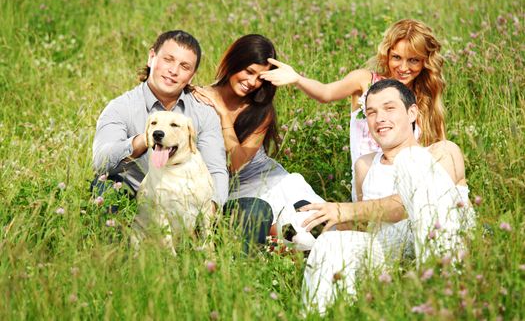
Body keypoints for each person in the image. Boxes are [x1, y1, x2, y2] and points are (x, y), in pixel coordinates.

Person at [298, 79, 475, 314]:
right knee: (332, 242)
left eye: (389, 108)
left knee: (410, 160)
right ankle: (324, 315)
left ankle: (444, 293)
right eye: (371, 112)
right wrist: (314, 227)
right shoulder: (365, 165)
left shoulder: (442, 151)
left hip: (442, 241)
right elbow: (358, 226)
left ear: (412, 113)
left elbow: (405, 205)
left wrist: (343, 209)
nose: (379, 118)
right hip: (389, 248)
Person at [260, 19, 446, 200]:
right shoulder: (365, 81)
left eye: (413, 60)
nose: (403, 67)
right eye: (396, 57)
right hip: (368, 184)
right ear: (387, 55)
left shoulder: (425, 99)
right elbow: (326, 93)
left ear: (425, 62)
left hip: (410, 184)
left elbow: (439, 149)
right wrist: (297, 79)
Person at [192, 34, 324, 251]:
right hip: (237, 193)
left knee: (319, 227)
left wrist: (224, 115)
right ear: (233, 62)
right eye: (249, 71)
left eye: (260, 78)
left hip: (273, 181)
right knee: (287, 240)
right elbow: (229, 170)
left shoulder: (260, 109)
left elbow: (237, 161)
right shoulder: (198, 99)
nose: (252, 83)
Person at [92, 30, 228, 207]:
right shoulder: (120, 107)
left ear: (191, 76)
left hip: (186, 205)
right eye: (168, 60)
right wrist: (145, 139)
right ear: (151, 57)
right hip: (134, 200)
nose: (173, 71)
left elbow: (216, 169)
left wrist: (210, 211)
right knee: (103, 186)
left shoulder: (203, 113)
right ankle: (117, 233)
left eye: (184, 66)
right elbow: (100, 163)